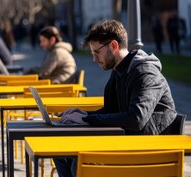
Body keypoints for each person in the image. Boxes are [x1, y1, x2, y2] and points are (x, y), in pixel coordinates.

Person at [53, 20, 177, 177]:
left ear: (113, 46)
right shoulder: (119, 70)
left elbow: (136, 119)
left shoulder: (146, 73)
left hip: (148, 150)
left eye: (96, 52)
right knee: (63, 154)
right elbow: (110, 110)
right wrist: (85, 115)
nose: (94, 59)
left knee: (81, 162)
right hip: (126, 142)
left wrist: (86, 120)